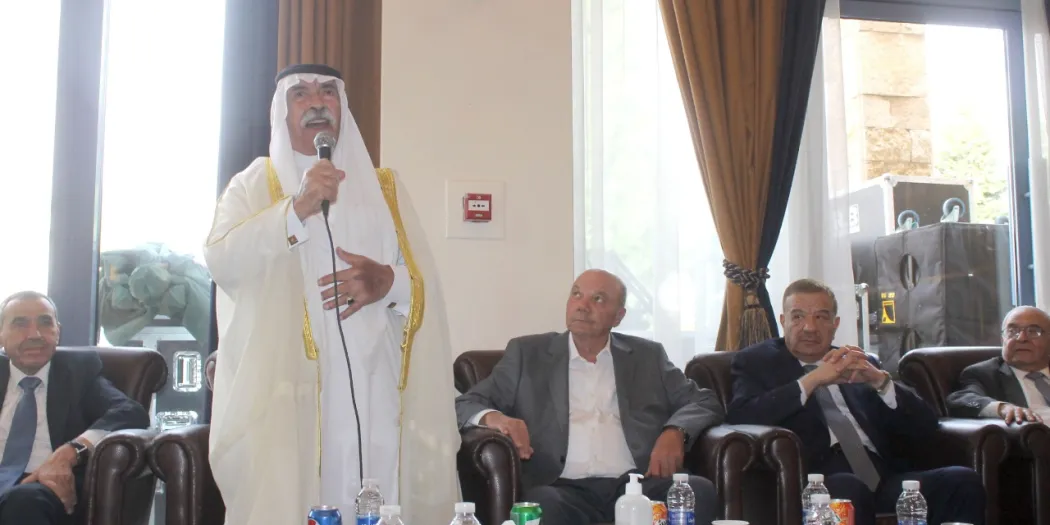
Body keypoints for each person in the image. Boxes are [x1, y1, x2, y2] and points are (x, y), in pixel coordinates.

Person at [204, 63, 459, 525]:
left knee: (380, 495)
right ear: (282, 112)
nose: (317, 102)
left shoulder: (385, 189)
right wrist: (296, 209)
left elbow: (424, 286)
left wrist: (388, 282)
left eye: (327, 92)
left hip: (375, 383)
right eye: (300, 94)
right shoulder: (253, 184)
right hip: (290, 393)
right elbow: (222, 260)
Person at [455, 269, 724, 525]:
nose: (582, 306)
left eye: (598, 298)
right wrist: (497, 418)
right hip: (560, 488)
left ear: (619, 316)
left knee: (698, 491)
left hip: (639, 484)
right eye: (576, 294)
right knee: (543, 507)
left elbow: (705, 401)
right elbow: (465, 404)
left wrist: (676, 432)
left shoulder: (647, 357)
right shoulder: (527, 354)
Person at [727, 278, 985, 525]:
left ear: (835, 324)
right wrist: (812, 379)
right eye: (798, 316)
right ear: (783, 321)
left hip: (883, 479)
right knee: (847, 489)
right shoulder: (757, 362)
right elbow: (741, 415)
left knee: (962, 481)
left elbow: (928, 425)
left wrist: (880, 382)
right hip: (815, 484)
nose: (810, 327)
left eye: (821, 317)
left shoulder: (857, 362)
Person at [0, 291, 150, 525]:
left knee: (23, 501)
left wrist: (70, 452)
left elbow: (130, 413)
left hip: (44, 489)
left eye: (45, 322)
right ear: (1, 334)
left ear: (57, 332)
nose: (34, 334)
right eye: (20, 324)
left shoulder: (78, 372)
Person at [946, 305, 1050, 424]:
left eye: (1033, 331)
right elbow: (960, 400)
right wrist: (1002, 408)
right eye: (1012, 331)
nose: (1021, 338)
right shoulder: (984, 374)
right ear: (1003, 339)